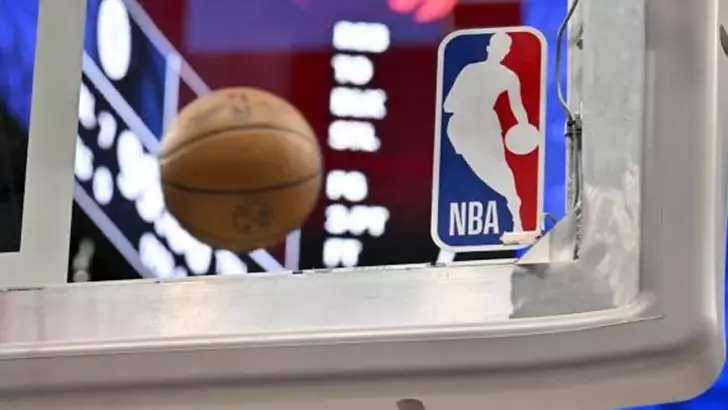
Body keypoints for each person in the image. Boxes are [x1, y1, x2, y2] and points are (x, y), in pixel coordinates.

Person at [443, 31, 527, 232]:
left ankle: (515, 211)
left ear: (506, 52)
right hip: (463, 126)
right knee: (483, 169)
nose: (500, 52)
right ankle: (512, 201)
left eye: (504, 49)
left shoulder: (508, 76)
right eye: (499, 47)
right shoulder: (470, 71)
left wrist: (525, 127)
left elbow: (517, 107)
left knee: (500, 167)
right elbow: (448, 105)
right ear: (489, 48)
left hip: (486, 126)